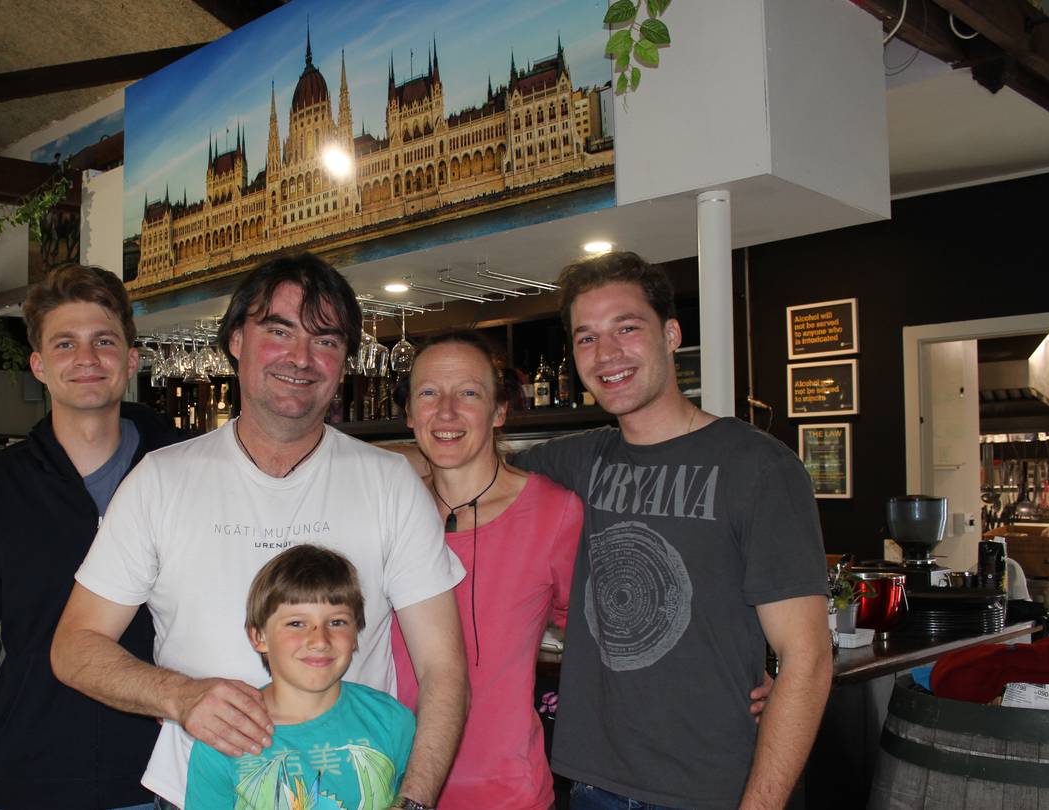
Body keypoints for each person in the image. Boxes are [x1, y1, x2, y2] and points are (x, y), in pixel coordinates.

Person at [50, 252, 469, 810]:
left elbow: (444, 669)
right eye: (279, 331)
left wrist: (414, 801)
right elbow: (74, 648)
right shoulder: (161, 480)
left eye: (326, 340)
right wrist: (179, 696)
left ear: (344, 361)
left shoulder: (390, 483)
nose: (301, 358)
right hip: (197, 795)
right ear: (236, 341)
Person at [512, 251, 832, 810]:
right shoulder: (582, 460)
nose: (606, 353)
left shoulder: (758, 468)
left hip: (711, 790)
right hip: (591, 783)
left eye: (626, 328)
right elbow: (466, 468)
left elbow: (807, 657)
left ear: (671, 334)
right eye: (586, 338)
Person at [0, 263, 181, 810]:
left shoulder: (189, 474)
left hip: (172, 778)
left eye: (104, 341)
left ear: (131, 360)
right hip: (33, 780)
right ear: (39, 366)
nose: (87, 359)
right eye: (65, 344)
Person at [389, 332, 583, 810]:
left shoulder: (554, 513)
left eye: (469, 393)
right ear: (410, 413)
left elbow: (598, 641)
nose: (447, 412)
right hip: (382, 783)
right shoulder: (388, 509)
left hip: (506, 794)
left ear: (499, 412)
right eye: (429, 393)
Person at [186, 545, 416, 808]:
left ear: (356, 634)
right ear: (259, 636)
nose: (319, 640)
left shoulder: (391, 721)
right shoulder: (225, 735)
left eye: (337, 622)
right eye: (297, 623)